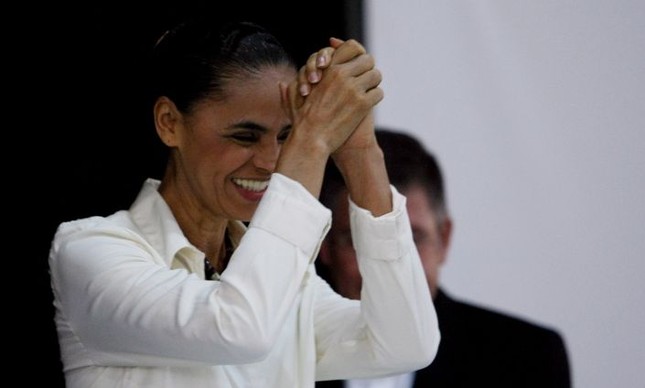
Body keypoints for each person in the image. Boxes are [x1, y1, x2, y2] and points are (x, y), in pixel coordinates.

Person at [47, 17, 440, 388]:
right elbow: (239, 328)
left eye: (286, 136)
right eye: (244, 137)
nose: (271, 161)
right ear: (169, 122)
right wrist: (311, 142)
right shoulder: (91, 251)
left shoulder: (287, 278)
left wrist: (360, 151)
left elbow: (406, 344)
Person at [316, 128, 571, 388]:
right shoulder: (285, 346)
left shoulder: (527, 358)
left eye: (412, 238)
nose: (389, 268)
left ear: (444, 239)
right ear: (324, 246)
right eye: (359, 241)